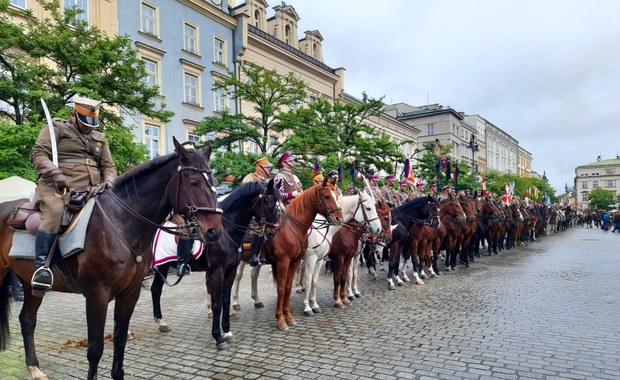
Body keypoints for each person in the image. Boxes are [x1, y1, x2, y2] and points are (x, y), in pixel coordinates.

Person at [30, 96, 116, 294]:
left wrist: (109, 182)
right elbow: (38, 154)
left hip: (92, 188)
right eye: (85, 123)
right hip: (57, 186)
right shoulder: (56, 128)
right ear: (73, 115)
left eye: (92, 124)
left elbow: (108, 166)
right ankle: (42, 268)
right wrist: (54, 172)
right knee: (55, 210)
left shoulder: (100, 137)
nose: (89, 128)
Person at [242, 156, 273, 266]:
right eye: (267, 167)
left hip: (263, 210)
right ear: (260, 168)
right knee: (258, 228)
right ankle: (253, 255)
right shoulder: (251, 177)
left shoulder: (268, 181)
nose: (269, 170)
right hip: (251, 210)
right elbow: (245, 193)